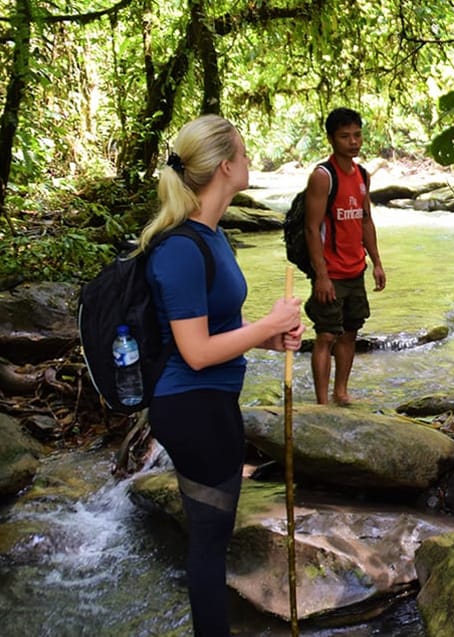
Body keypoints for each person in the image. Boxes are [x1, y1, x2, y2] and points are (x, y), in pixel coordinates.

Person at [140, 114, 304, 636]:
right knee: (210, 541)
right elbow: (194, 352)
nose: (251, 161)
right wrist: (266, 324)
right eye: (246, 152)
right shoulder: (181, 249)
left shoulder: (212, 237)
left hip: (212, 401)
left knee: (215, 534)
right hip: (190, 407)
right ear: (226, 166)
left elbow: (220, 329)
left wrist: (272, 336)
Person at [303, 107, 386, 405]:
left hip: (355, 271)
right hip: (331, 273)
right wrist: (321, 276)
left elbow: (365, 220)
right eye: (345, 136)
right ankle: (322, 402)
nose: (353, 142)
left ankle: (341, 392)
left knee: (350, 333)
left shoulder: (362, 175)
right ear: (331, 139)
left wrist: (376, 262)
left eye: (357, 135)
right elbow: (312, 229)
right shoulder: (323, 177)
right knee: (326, 335)